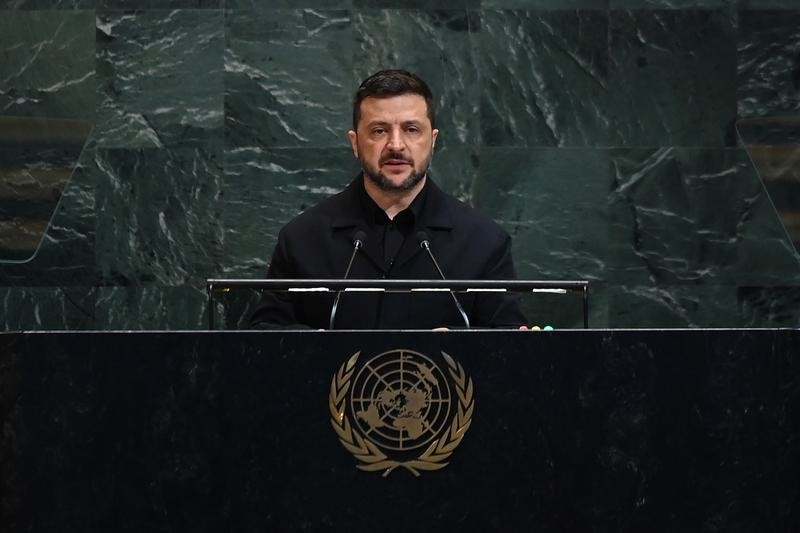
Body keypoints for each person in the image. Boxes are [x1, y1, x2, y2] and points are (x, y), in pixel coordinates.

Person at [247, 69, 526, 329]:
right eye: (379, 130)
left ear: (432, 141)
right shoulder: (302, 238)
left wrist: (459, 347)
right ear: (355, 143)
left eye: (411, 129)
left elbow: (510, 343)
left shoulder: (484, 241)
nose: (396, 145)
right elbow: (265, 336)